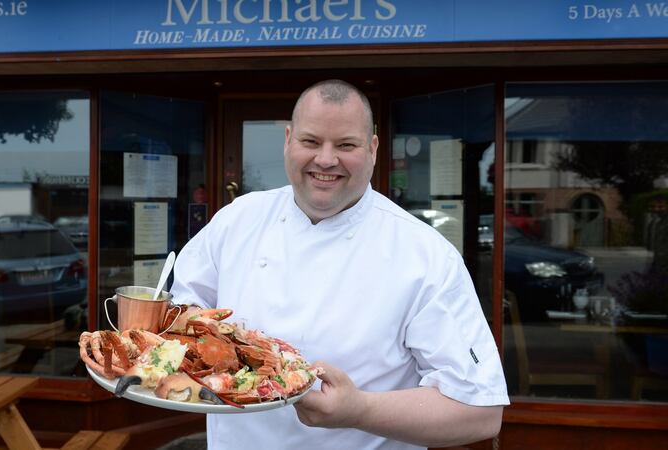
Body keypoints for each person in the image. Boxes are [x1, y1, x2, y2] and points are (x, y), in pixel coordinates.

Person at [170, 79, 509, 450]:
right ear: (288, 141)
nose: (326, 159)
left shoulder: (425, 254)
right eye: (311, 141)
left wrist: (360, 410)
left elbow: (480, 412)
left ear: (373, 149)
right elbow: (179, 318)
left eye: (346, 145)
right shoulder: (237, 220)